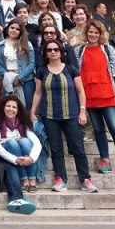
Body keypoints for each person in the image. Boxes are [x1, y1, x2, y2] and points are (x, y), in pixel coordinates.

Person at [31, 41, 99, 193]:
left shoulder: (71, 69)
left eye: (56, 49)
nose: (53, 52)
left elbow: (80, 91)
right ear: (45, 53)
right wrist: (32, 111)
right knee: (56, 149)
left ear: (61, 52)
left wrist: (82, 111)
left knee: (78, 147)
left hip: (71, 114)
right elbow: (38, 92)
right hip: (50, 115)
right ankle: (60, 179)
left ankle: (85, 179)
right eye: (49, 50)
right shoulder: (42, 71)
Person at [77, 20, 115, 176]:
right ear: (86, 33)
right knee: (98, 130)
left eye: (96, 32)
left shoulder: (108, 49)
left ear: (100, 34)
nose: (93, 35)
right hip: (89, 97)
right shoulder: (80, 50)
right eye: (90, 32)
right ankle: (104, 159)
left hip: (107, 95)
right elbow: (76, 73)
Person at [0, 95, 42, 193]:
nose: (11, 109)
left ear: (18, 111)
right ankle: (23, 180)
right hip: (6, 155)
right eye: (8, 106)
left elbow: (37, 143)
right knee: (12, 143)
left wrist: (31, 158)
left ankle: (32, 180)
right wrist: (15, 159)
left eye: (14, 107)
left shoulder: (23, 123)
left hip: (23, 155)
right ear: (3, 108)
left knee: (25, 142)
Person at [0, 20, 35, 111]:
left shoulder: (27, 44)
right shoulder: (0, 45)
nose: (14, 30)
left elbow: (32, 63)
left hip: (26, 80)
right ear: (7, 29)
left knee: (26, 108)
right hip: (8, 80)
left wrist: (19, 78)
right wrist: (8, 77)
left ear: (20, 31)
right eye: (12, 28)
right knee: (8, 108)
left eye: (17, 29)